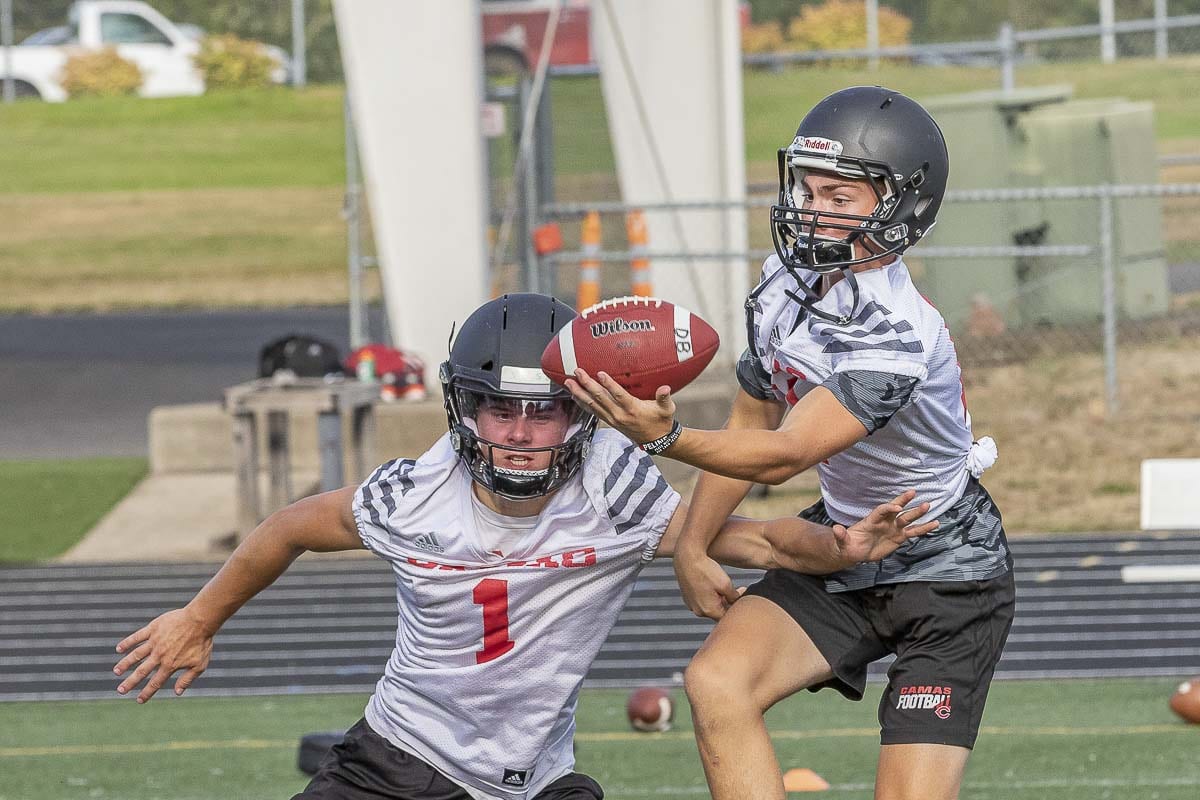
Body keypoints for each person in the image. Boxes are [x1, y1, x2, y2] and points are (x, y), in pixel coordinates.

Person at [113, 292, 939, 800]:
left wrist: (843, 545)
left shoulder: (615, 491)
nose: (518, 434)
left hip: (535, 782)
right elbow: (289, 526)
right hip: (397, 761)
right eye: (498, 410)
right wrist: (199, 617)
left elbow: (756, 541)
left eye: (543, 411)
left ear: (584, 412)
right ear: (461, 411)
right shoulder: (413, 496)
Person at [566, 87, 1015, 800]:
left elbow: (786, 453)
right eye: (808, 187)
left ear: (903, 209)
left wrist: (667, 437)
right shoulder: (785, 279)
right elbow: (752, 415)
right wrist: (692, 544)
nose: (812, 208)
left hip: (946, 571)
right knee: (717, 682)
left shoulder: (895, 332)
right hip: (842, 538)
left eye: (840, 197)